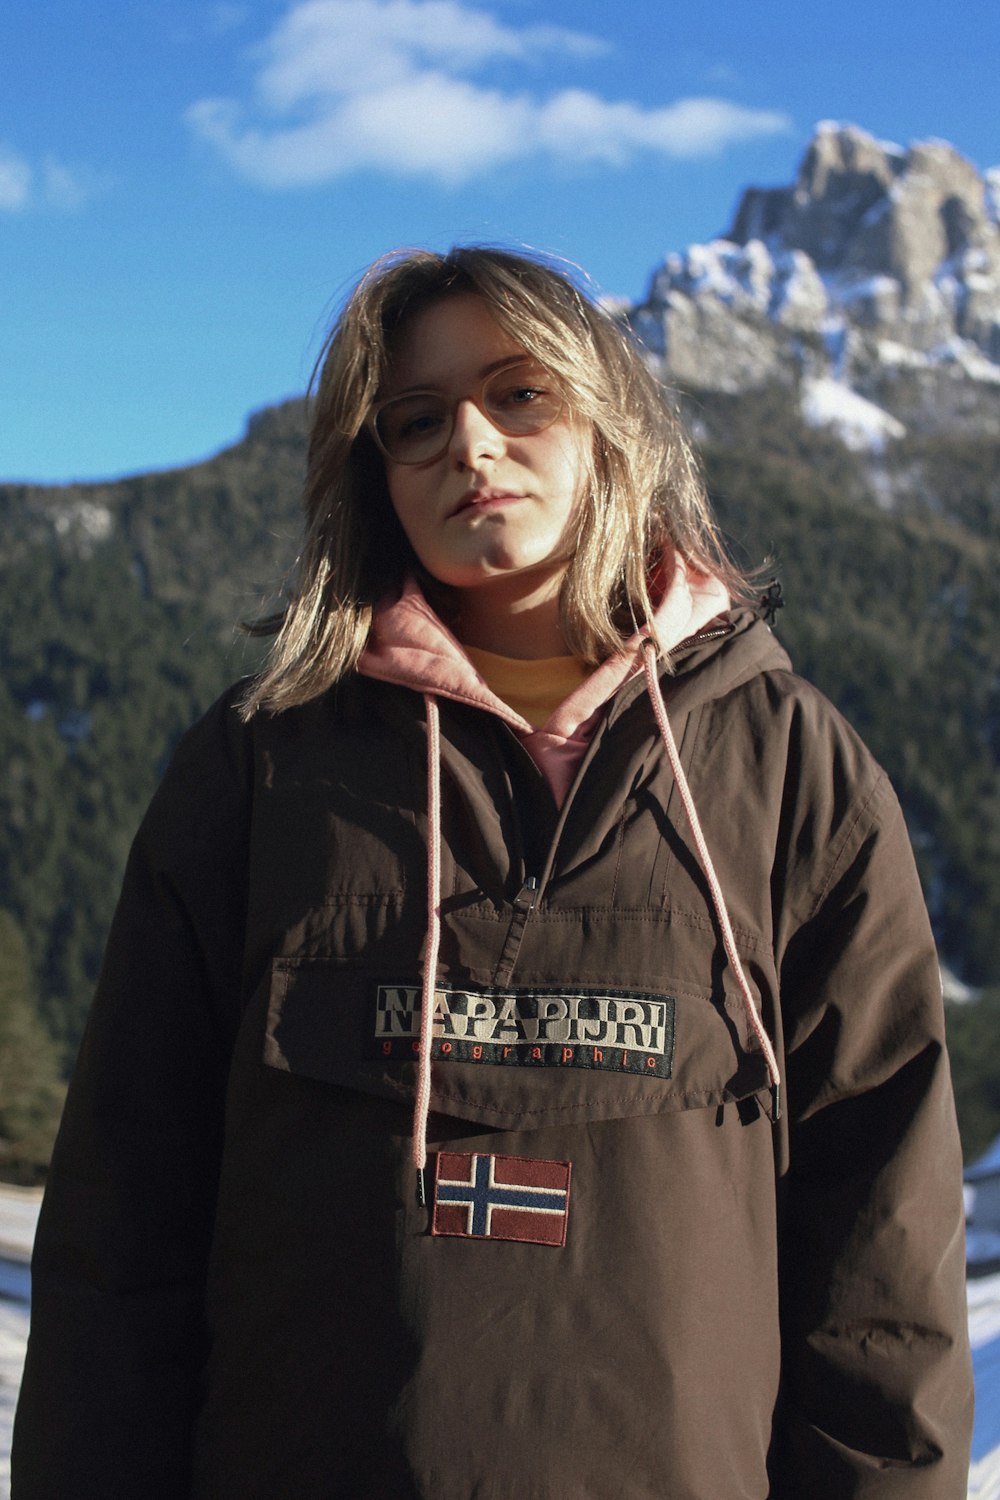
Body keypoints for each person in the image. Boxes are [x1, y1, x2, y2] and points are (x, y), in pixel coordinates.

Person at [13, 246, 973, 1497]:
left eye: (520, 395)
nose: (470, 445)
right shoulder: (259, 770)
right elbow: (120, 1236)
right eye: (415, 421)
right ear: (373, 474)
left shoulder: (793, 769)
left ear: (611, 419)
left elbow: (883, 1271)